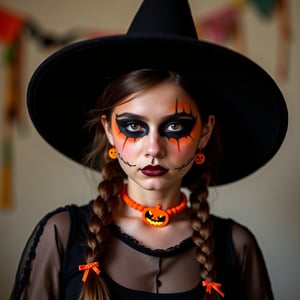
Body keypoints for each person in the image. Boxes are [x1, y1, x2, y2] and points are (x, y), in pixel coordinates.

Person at [10, 0, 288, 299]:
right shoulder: (62, 235)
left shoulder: (236, 246)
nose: (154, 148)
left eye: (175, 127)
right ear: (109, 131)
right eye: (133, 127)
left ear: (204, 133)